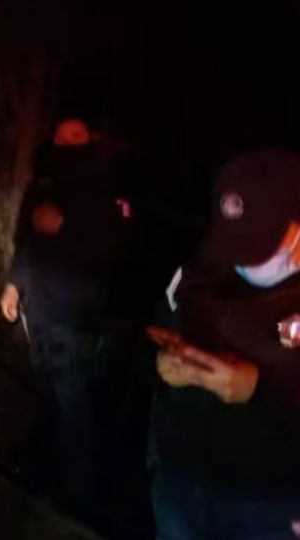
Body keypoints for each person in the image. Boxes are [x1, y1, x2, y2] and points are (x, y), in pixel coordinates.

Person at [0, 118, 149, 537]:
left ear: (90, 141)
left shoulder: (107, 185)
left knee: (75, 404)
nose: (63, 145)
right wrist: (14, 284)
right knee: (49, 395)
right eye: (60, 137)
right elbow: (28, 239)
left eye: (73, 138)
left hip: (76, 316)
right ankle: (48, 473)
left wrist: (67, 228)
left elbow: (117, 246)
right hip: (40, 310)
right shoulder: (47, 184)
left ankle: (77, 492)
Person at [150, 149, 300, 540]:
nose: (241, 260)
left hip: (268, 503)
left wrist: (259, 391)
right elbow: (161, 332)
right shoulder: (199, 270)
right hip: (182, 478)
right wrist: (164, 366)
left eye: (259, 242)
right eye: (234, 238)